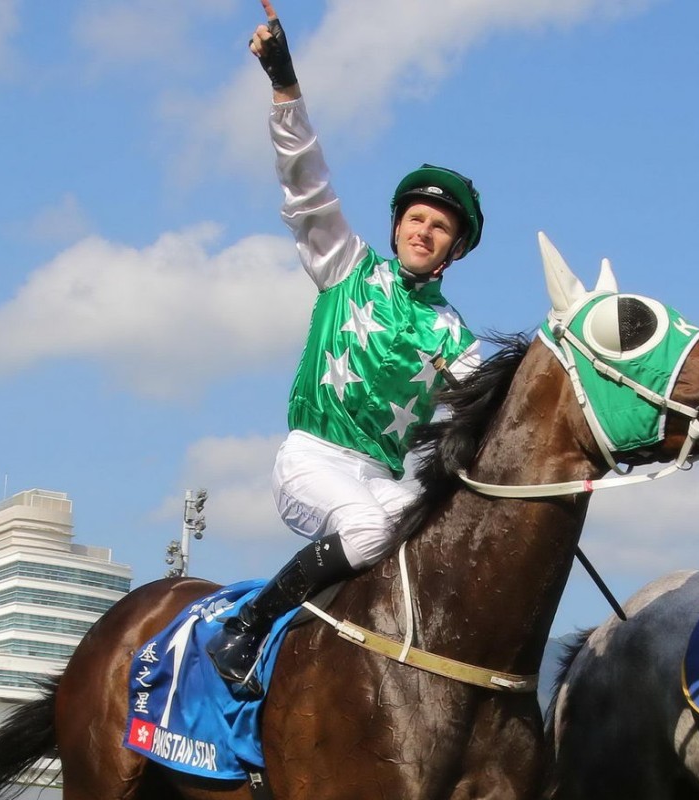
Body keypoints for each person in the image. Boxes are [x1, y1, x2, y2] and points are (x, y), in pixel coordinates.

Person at [206, 0, 485, 692]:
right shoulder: (346, 267)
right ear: (397, 228)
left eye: (441, 227)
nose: (425, 231)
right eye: (417, 218)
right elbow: (307, 182)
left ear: (454, 250)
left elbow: (481, 427)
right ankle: (249, 627)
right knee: (365, 532)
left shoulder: (456, 337)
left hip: (387, 483)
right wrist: (284, 86)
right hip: (314, 460)